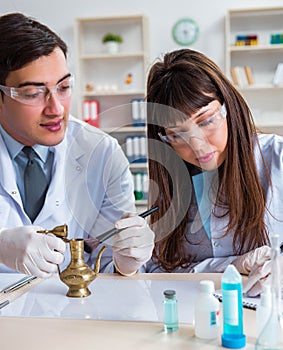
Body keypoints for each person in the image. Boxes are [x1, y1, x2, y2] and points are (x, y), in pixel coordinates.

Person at [0, 12, 154, 278]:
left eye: (64, 86)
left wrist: (126, 260)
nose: (56, 108)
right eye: (33, 93)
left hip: (73, 312)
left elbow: (107, 264)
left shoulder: (102, 154)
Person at [144, 48, 283, 296]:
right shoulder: (171, 182)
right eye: (177, 135)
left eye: (206, 121)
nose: (197, 146)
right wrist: (232, 265)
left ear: (228, 106)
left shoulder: (277, 158)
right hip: (198, 319)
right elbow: (159, 270)